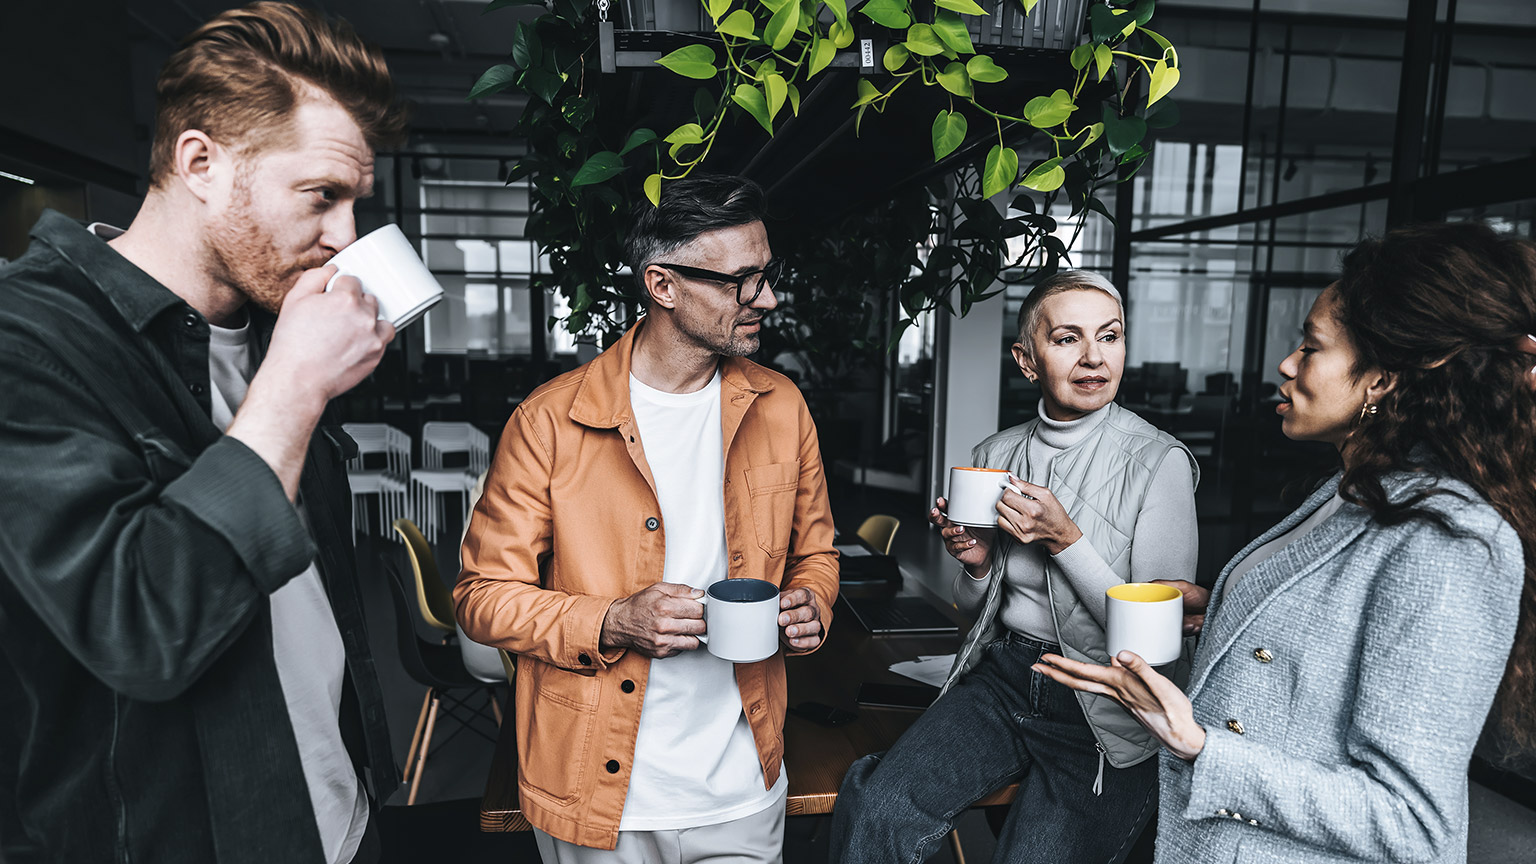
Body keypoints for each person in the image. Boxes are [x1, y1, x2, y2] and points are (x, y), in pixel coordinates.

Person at [0, 4, 406, 862]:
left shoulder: (269, 328)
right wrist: (294, 389)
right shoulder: (28, 342)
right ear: (201, 162)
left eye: (354, 203)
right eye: (321, 197)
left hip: (342, 819)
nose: (346, 239)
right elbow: (142, 625)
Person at [1036, 221, 1536, 863]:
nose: (1287, 364)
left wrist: (1199, 746)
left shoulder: (1452, 540)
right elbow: (1331, 636)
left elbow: (1414, 824)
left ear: (1381, 379)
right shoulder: (1356, 488)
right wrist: (1225, 609)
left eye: (1312, 347)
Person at [454, 175, 840, 863]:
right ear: (662, 285)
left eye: (768, 275)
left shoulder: (783, 407)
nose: (768, 299)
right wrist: (614, 620)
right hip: (596, 793)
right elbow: (482, 599)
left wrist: (816, 601)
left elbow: (816, 553)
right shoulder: (547, 422)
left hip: (742, 786)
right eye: (741, 281)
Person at [831, 271, 1200, 863]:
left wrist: (1065, 539)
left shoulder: (1160, 462)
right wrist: (976, 564)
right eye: (1067, 339)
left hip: (1105, 701)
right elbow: (977, 611)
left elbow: (1155, 644)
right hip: (1004, 677)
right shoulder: (995, 455)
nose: (1093, 357)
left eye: (1110, 336)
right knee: (879, 807)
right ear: (1027, 360)